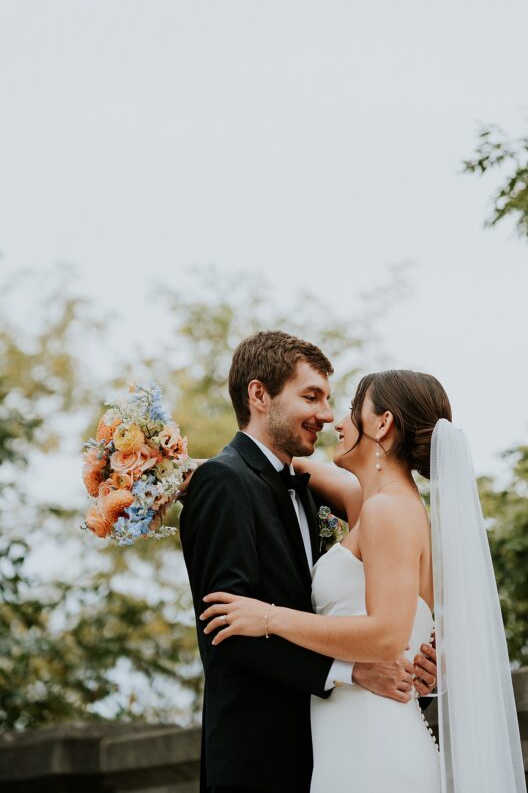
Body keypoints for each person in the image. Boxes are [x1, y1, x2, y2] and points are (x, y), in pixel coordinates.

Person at [199, 368, 527, 792]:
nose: (337, 421)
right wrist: (181, 469)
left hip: (373, 744)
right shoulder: (370, 503)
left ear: (383, 423)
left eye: (354, 408)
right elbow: (279, 466)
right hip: (350, 735)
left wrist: (269, 617)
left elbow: (387, 637)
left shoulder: (388, 511)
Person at [179, 333, 438, 792]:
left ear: (383, 425)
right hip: (263, 758)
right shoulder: (233, 483)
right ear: (259, 395)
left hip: (351, 739)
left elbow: (392, 632)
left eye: (340, 404)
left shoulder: (373, 506)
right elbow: (225, 630)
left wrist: (425, 664)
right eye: (311, 397)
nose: (329, 416)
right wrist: (192, 469)